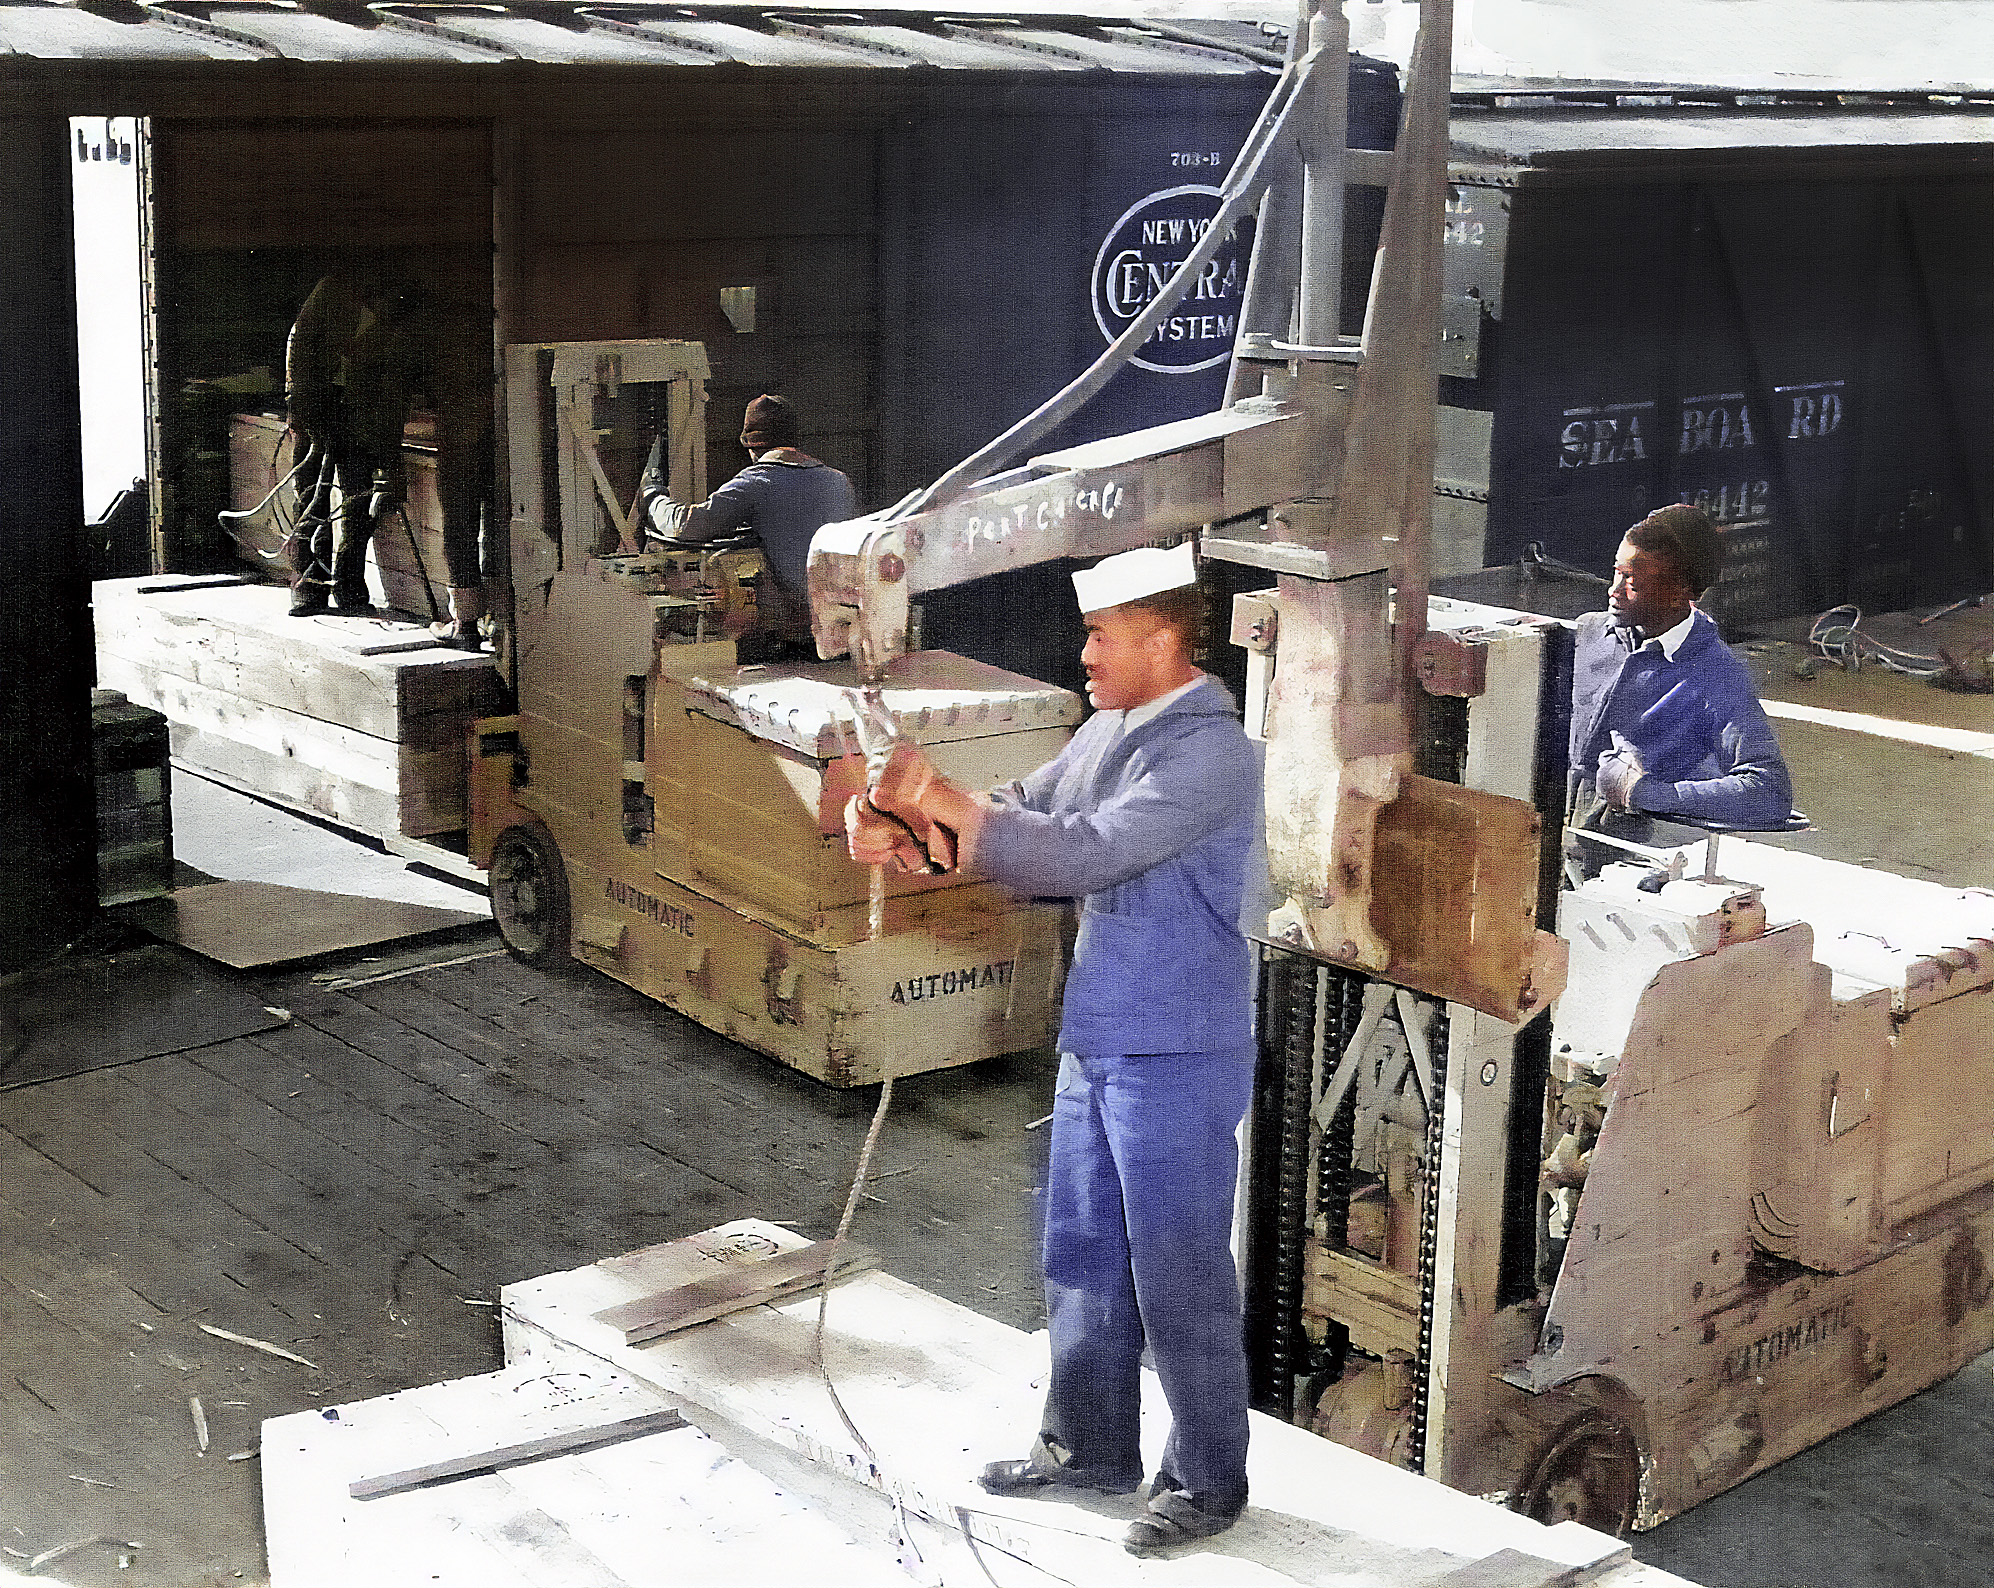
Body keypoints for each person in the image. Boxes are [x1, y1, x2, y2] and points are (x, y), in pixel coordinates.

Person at [847, 542, 1262, 1556]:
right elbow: (1028, 815)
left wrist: (946, 802)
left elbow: (1088, 853)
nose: (1081, 654)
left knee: (1176, 1271)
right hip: (1101, 1034)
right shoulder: (1112, 729)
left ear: (1159, 639)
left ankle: (1207, 1480)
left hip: (1175, 1045)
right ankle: (1088, 1449)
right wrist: (909, 829)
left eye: (1097, 635)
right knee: (1079, 1246)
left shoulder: (1210, 754)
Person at [1567, 502, 1794, 874]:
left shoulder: (1715, 677)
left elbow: (1769, 792)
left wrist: (1646, 793)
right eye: (1616, 573)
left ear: (1679, 594)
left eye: (1633, 584)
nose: (1613, 591)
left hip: (1630, 866)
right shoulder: (1588, 632)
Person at [634, 394, 856, 662]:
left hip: (787, 639)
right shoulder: (838, 482)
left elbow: (685, 525)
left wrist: (653, 496)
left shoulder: (756, 482)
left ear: (751, 445)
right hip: (837, 634)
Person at [283, 270, 418, 618]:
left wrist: (383, 444)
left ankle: (349, 587)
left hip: (360, 414)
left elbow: (395, 387)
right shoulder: (332, 292)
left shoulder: (398, 326)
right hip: (316, 405)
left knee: (357, 501)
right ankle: (308, 587)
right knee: (310, 495)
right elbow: (298, 342)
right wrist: (299, 404)